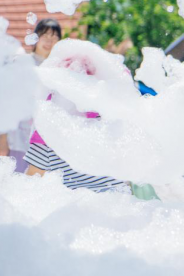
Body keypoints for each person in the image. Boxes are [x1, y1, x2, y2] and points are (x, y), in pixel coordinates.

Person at [23, 55, 128, 193]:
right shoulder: (111, 120)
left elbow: (31, 181)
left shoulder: (47, 130)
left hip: (74, 202)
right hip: (115, 198)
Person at [0, 19, 62, 173]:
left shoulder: (60, 69)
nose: (49, 41)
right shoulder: (23, 63)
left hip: (46, 145)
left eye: (54, 37)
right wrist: (2, 139)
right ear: (35, 37)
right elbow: (7, 102)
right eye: (45, 35)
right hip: (19, 140)